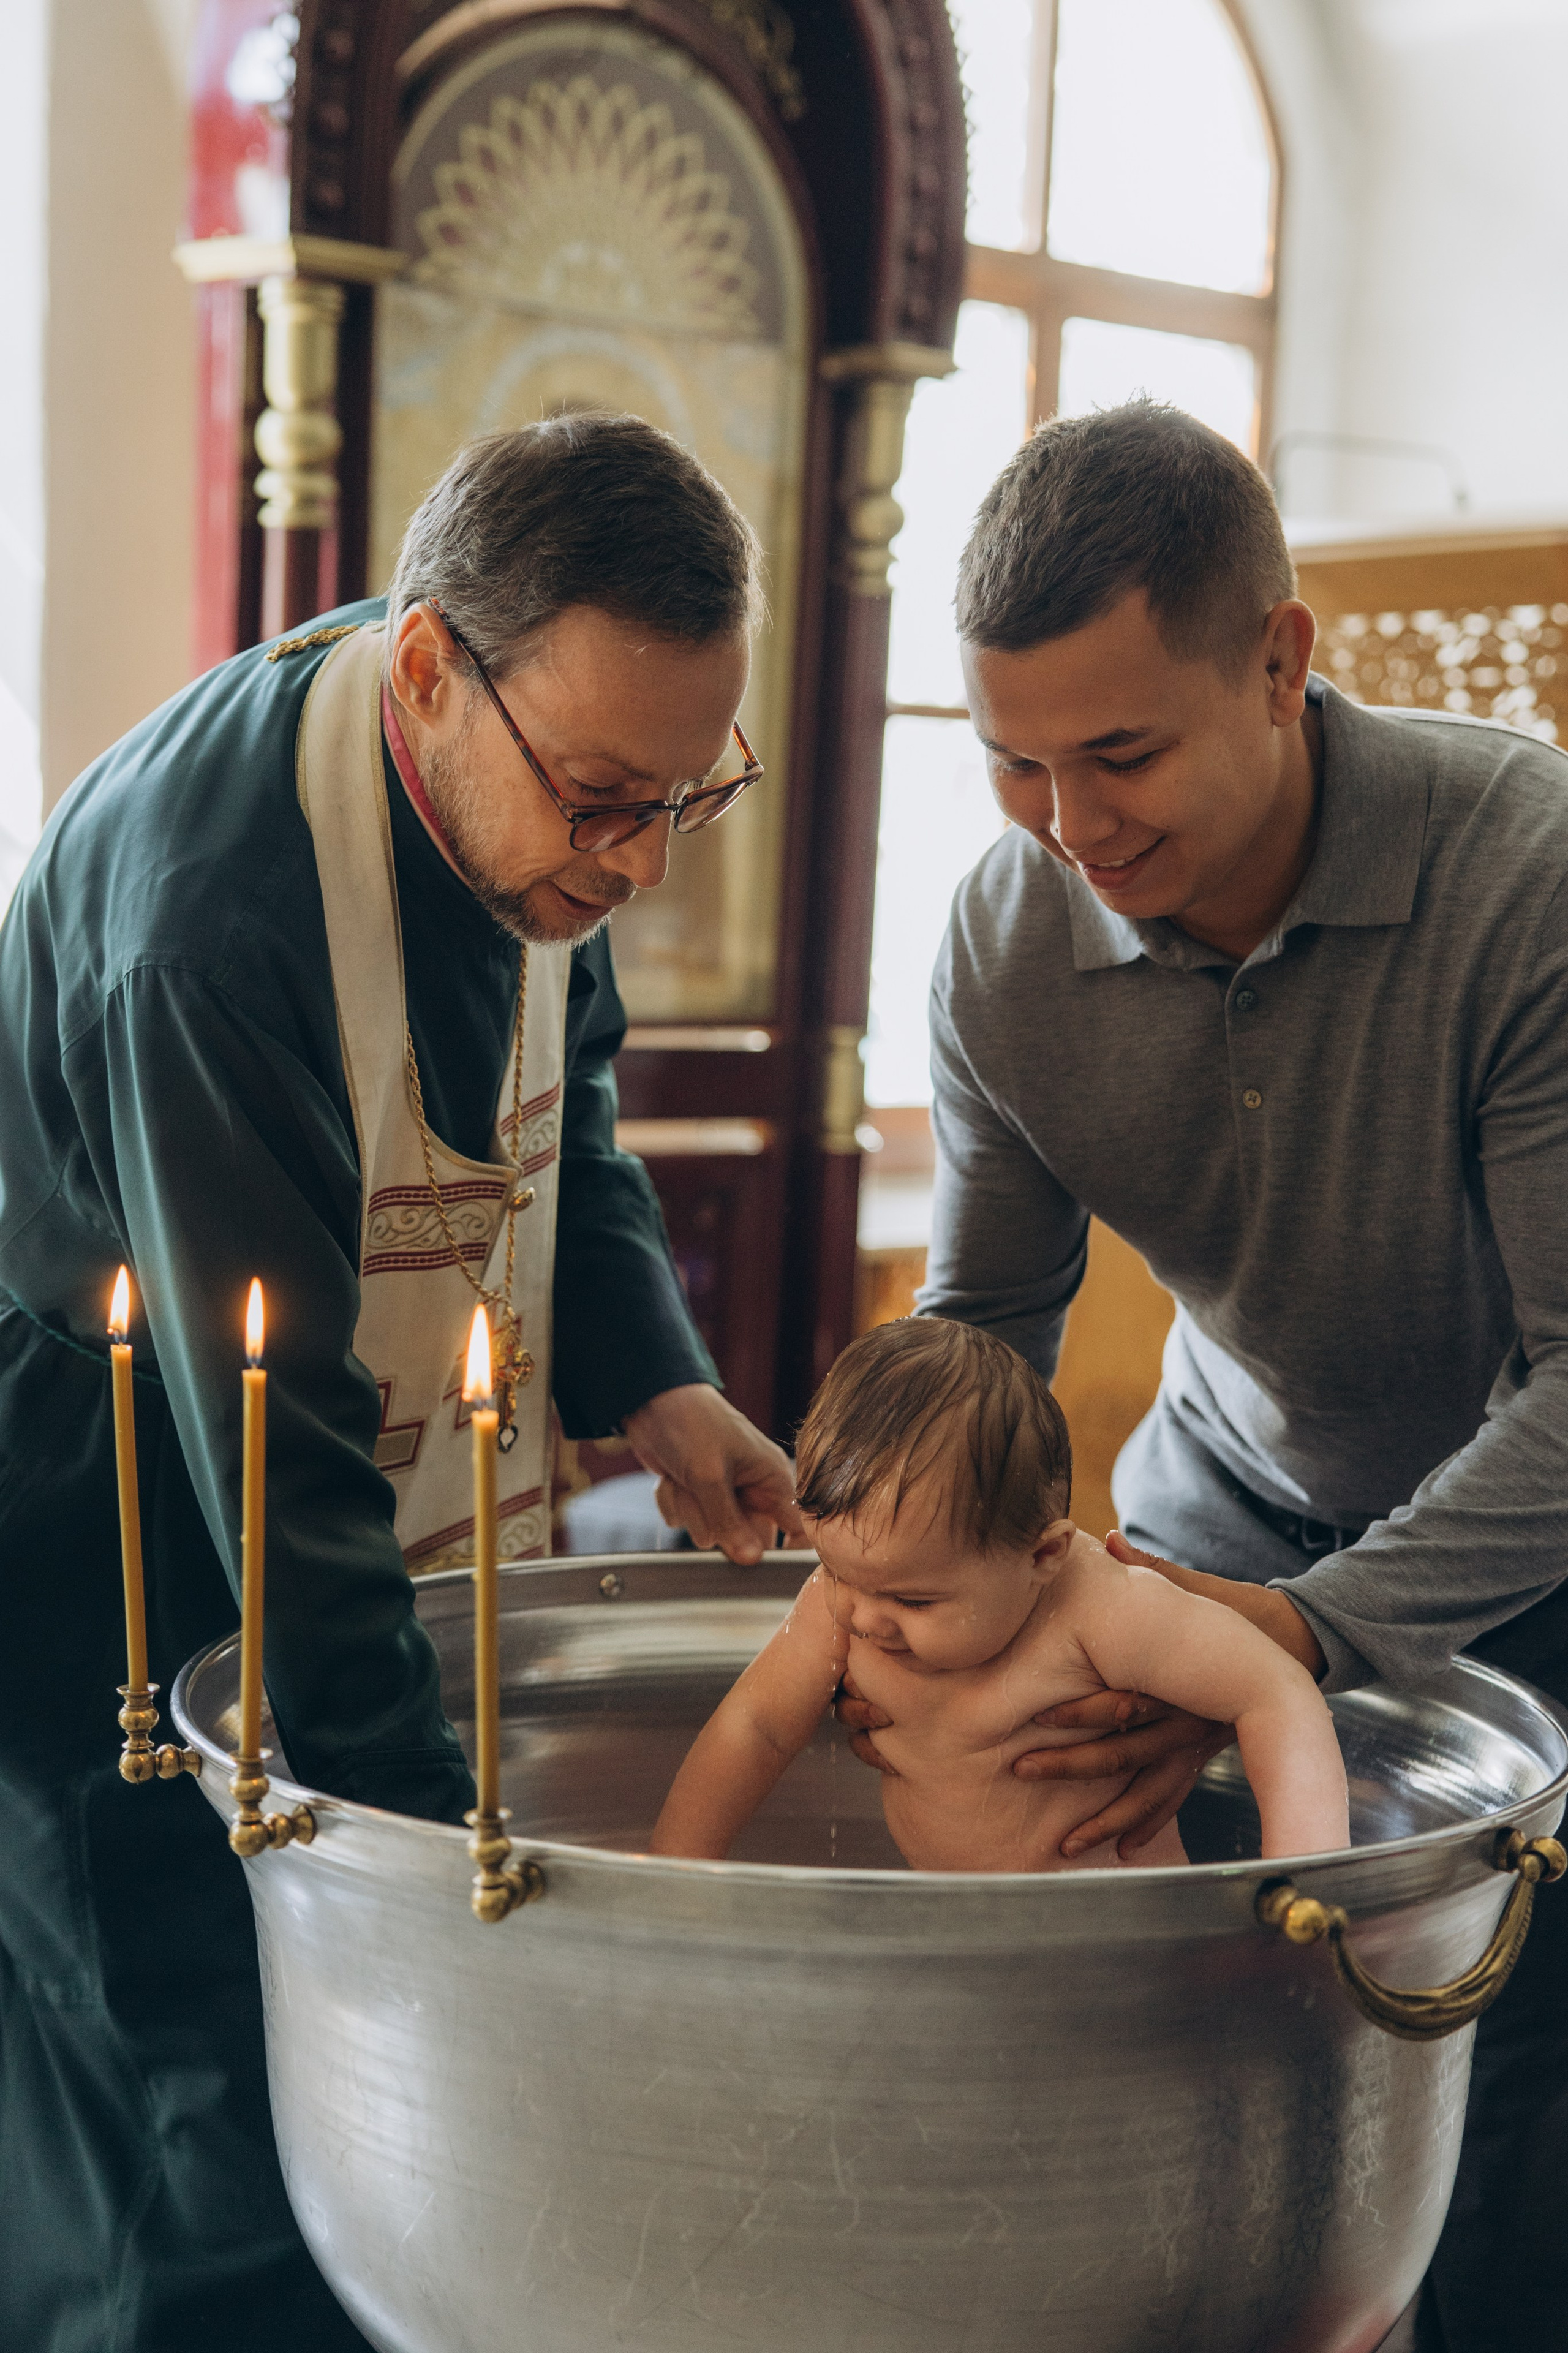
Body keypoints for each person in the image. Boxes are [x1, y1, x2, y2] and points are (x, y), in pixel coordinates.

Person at [0, 415, 802, 2352]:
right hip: (108, 1545)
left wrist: (658, 1381)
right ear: (431, 666)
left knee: (366, 2134)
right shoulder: (209, 921)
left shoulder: (531, 799)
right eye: (606, 798)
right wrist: (461, 1897)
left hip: (349, 1528)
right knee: (195, 2130)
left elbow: (569, 1111)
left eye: (684, 799)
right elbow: (267, 1462)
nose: (637, 863)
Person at [834, 400, 1568, 2351]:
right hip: (1202, 1526)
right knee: (1185, 2102)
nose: (1069, 827)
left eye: (1123, 752)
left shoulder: (1528, 874)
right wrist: (901, 1560)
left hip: (1532, 1563)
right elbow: (985, 1326)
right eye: (1012, 762)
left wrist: (1303, 1630)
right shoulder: (1004, 930)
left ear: (1281, 660)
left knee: (1496, 2140)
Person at [653, 1318, 1348, 1870]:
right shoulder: (847, 1601)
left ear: (1042, 1555)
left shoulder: (1104, 1609)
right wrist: (673, 1872)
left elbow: (1274, 1690)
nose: (865, 1617)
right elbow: (758, 1725)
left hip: (1115, 1945)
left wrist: (1300, 1883)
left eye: (915, 1601)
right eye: (840, 1574)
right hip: (961, 1930)